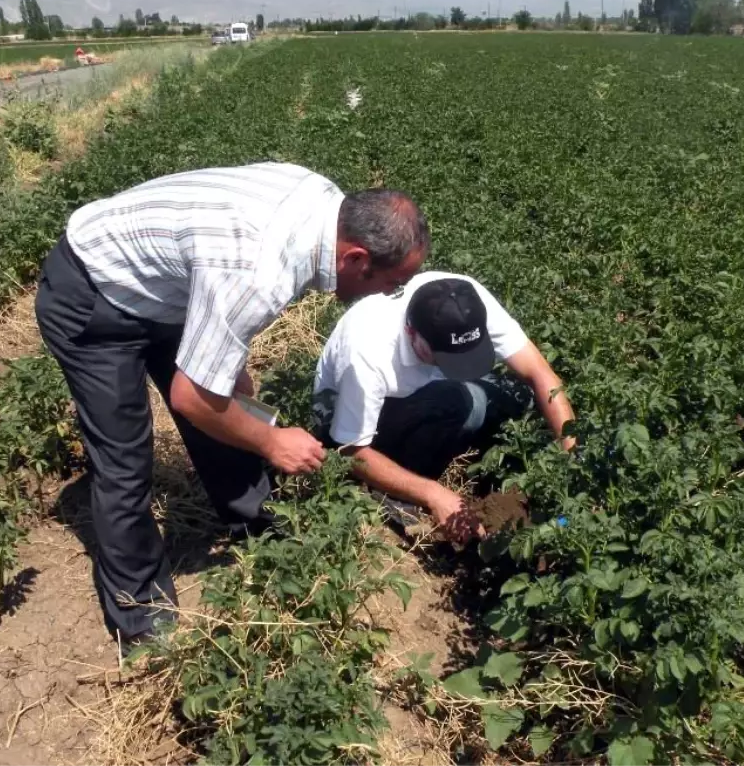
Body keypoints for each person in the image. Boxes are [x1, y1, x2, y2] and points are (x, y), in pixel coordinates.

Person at [35, 163, 428, 645]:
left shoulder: (326, 204)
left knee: (226, 401)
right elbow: (191, 396)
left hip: (165, 288)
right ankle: (143, 621)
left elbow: (220, 279)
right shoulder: (259, 271)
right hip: (95, 291)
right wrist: (271, 441)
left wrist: (228, 362)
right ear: (356, 258)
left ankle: (259, 527)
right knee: (124, 464)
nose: (392, 294)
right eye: (390, 281)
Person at [312, 272, 574, 538]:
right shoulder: (367, 354)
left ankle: (494, 480)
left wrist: (573, 452)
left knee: (520, 398)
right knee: (461, 402)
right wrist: (433, 494)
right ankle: (398, 492)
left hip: (421, 389)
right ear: (411, 333)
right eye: (444, 358)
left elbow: (540, 374)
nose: (459, 366)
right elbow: (349, 451)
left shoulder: (464, 302)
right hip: (352, 424)